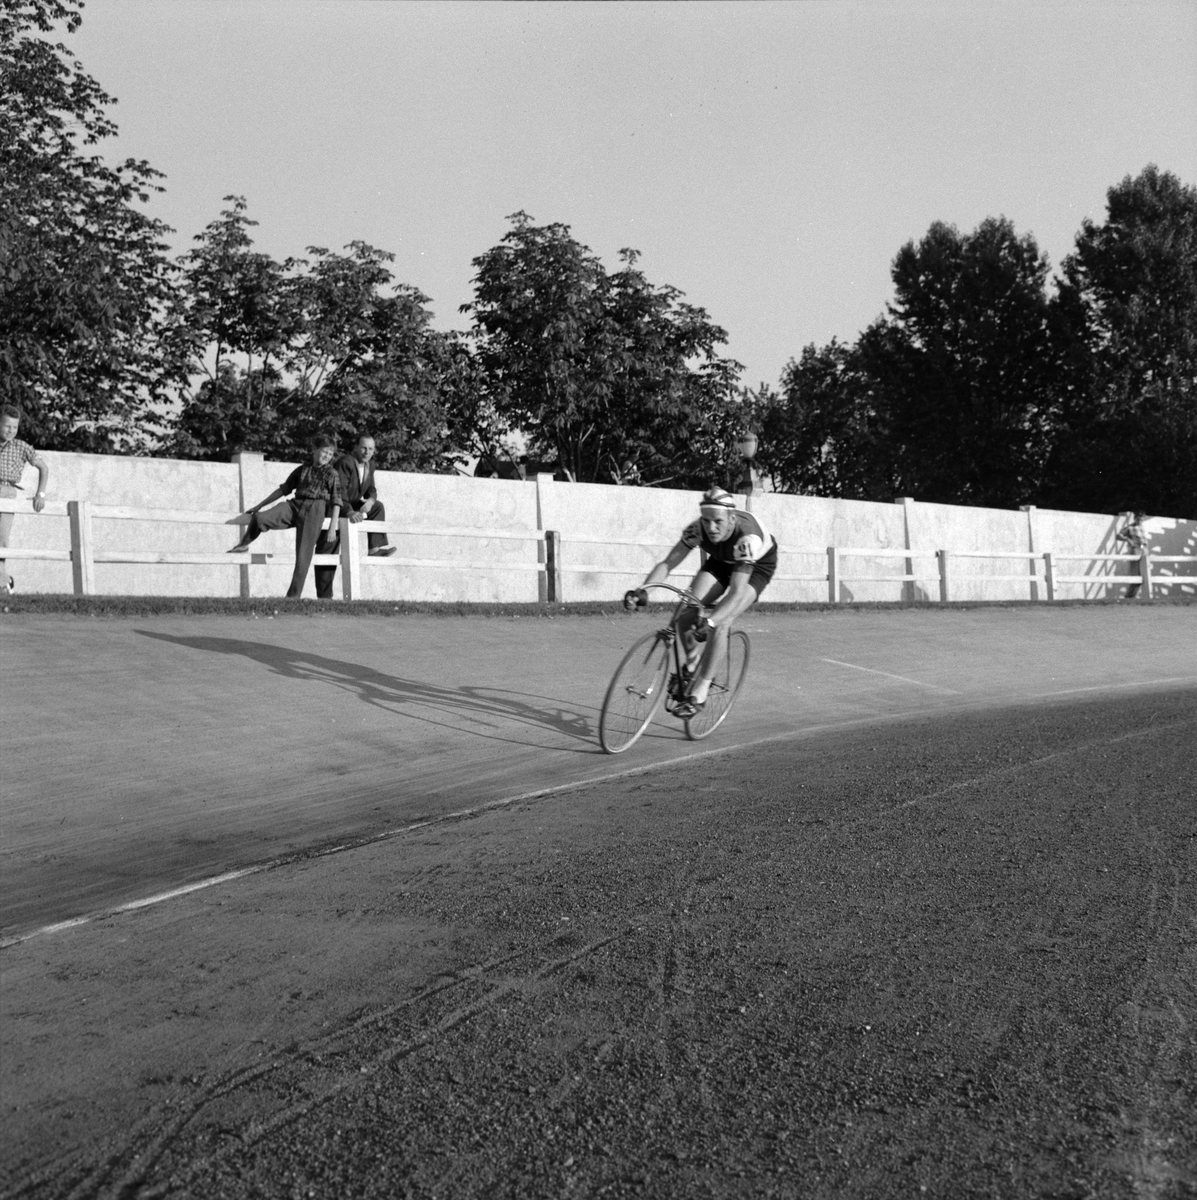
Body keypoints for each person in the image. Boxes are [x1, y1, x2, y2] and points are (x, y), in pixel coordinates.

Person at [623, 486, 779, 717]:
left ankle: (702, 690)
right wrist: (643, 590)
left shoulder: (748, 538)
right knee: (687, 611)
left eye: (717, 521)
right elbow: (668, 563)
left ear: (731, 518)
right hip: (720, 561)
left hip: (755, 568)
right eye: (706, 521)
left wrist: (712, 621)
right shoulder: (698, 529)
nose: (711, 527)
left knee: (723, 621)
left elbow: (736, 593)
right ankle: (694, 664)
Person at [229, 433, 342, 598]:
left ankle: (292, 598)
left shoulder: (332, 473)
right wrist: (260, 505)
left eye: (330, 454)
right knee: (261, 518)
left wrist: (332, 527)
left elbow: (336, 501)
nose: (327, 456)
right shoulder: (303, 469)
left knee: (303, 558)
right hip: (295, 505)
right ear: (315, 449)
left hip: (315, 510)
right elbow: (283, 490)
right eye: (324, 451)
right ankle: (244, 543)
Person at [314, 432, 396, 599]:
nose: (367, 452)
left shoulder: (370, 465)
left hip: (351, 504)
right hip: (334, 509)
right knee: (327, 554)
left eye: (371, 449)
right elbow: (339, 491)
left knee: (378, 507)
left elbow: (371, 489)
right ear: (356, 448)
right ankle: (324, 598)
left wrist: (371, 501)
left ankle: (374, 549)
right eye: (364, 448)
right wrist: (350, 512)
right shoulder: (345, 462)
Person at [0, 405, 51, 596]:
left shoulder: (21, 446)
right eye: (6, 426)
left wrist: (41, 494)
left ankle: (2, 584)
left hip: (7, 492)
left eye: (14, 427)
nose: (11, 431)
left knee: (1, 541)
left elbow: (44, 468)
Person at [1115, 511, 1148, 599]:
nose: (1139, 521)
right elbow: (1118, 536)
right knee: (1136, 575)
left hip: (1144, 550)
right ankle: (1129, 597)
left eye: (1141, 519)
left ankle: (1132, 596)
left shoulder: (1142, 527)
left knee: (1145, 575)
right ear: (1135, 518)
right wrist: (1127, 539)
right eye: (1138, 519)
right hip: (1135, 549)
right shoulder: (1130, 527)